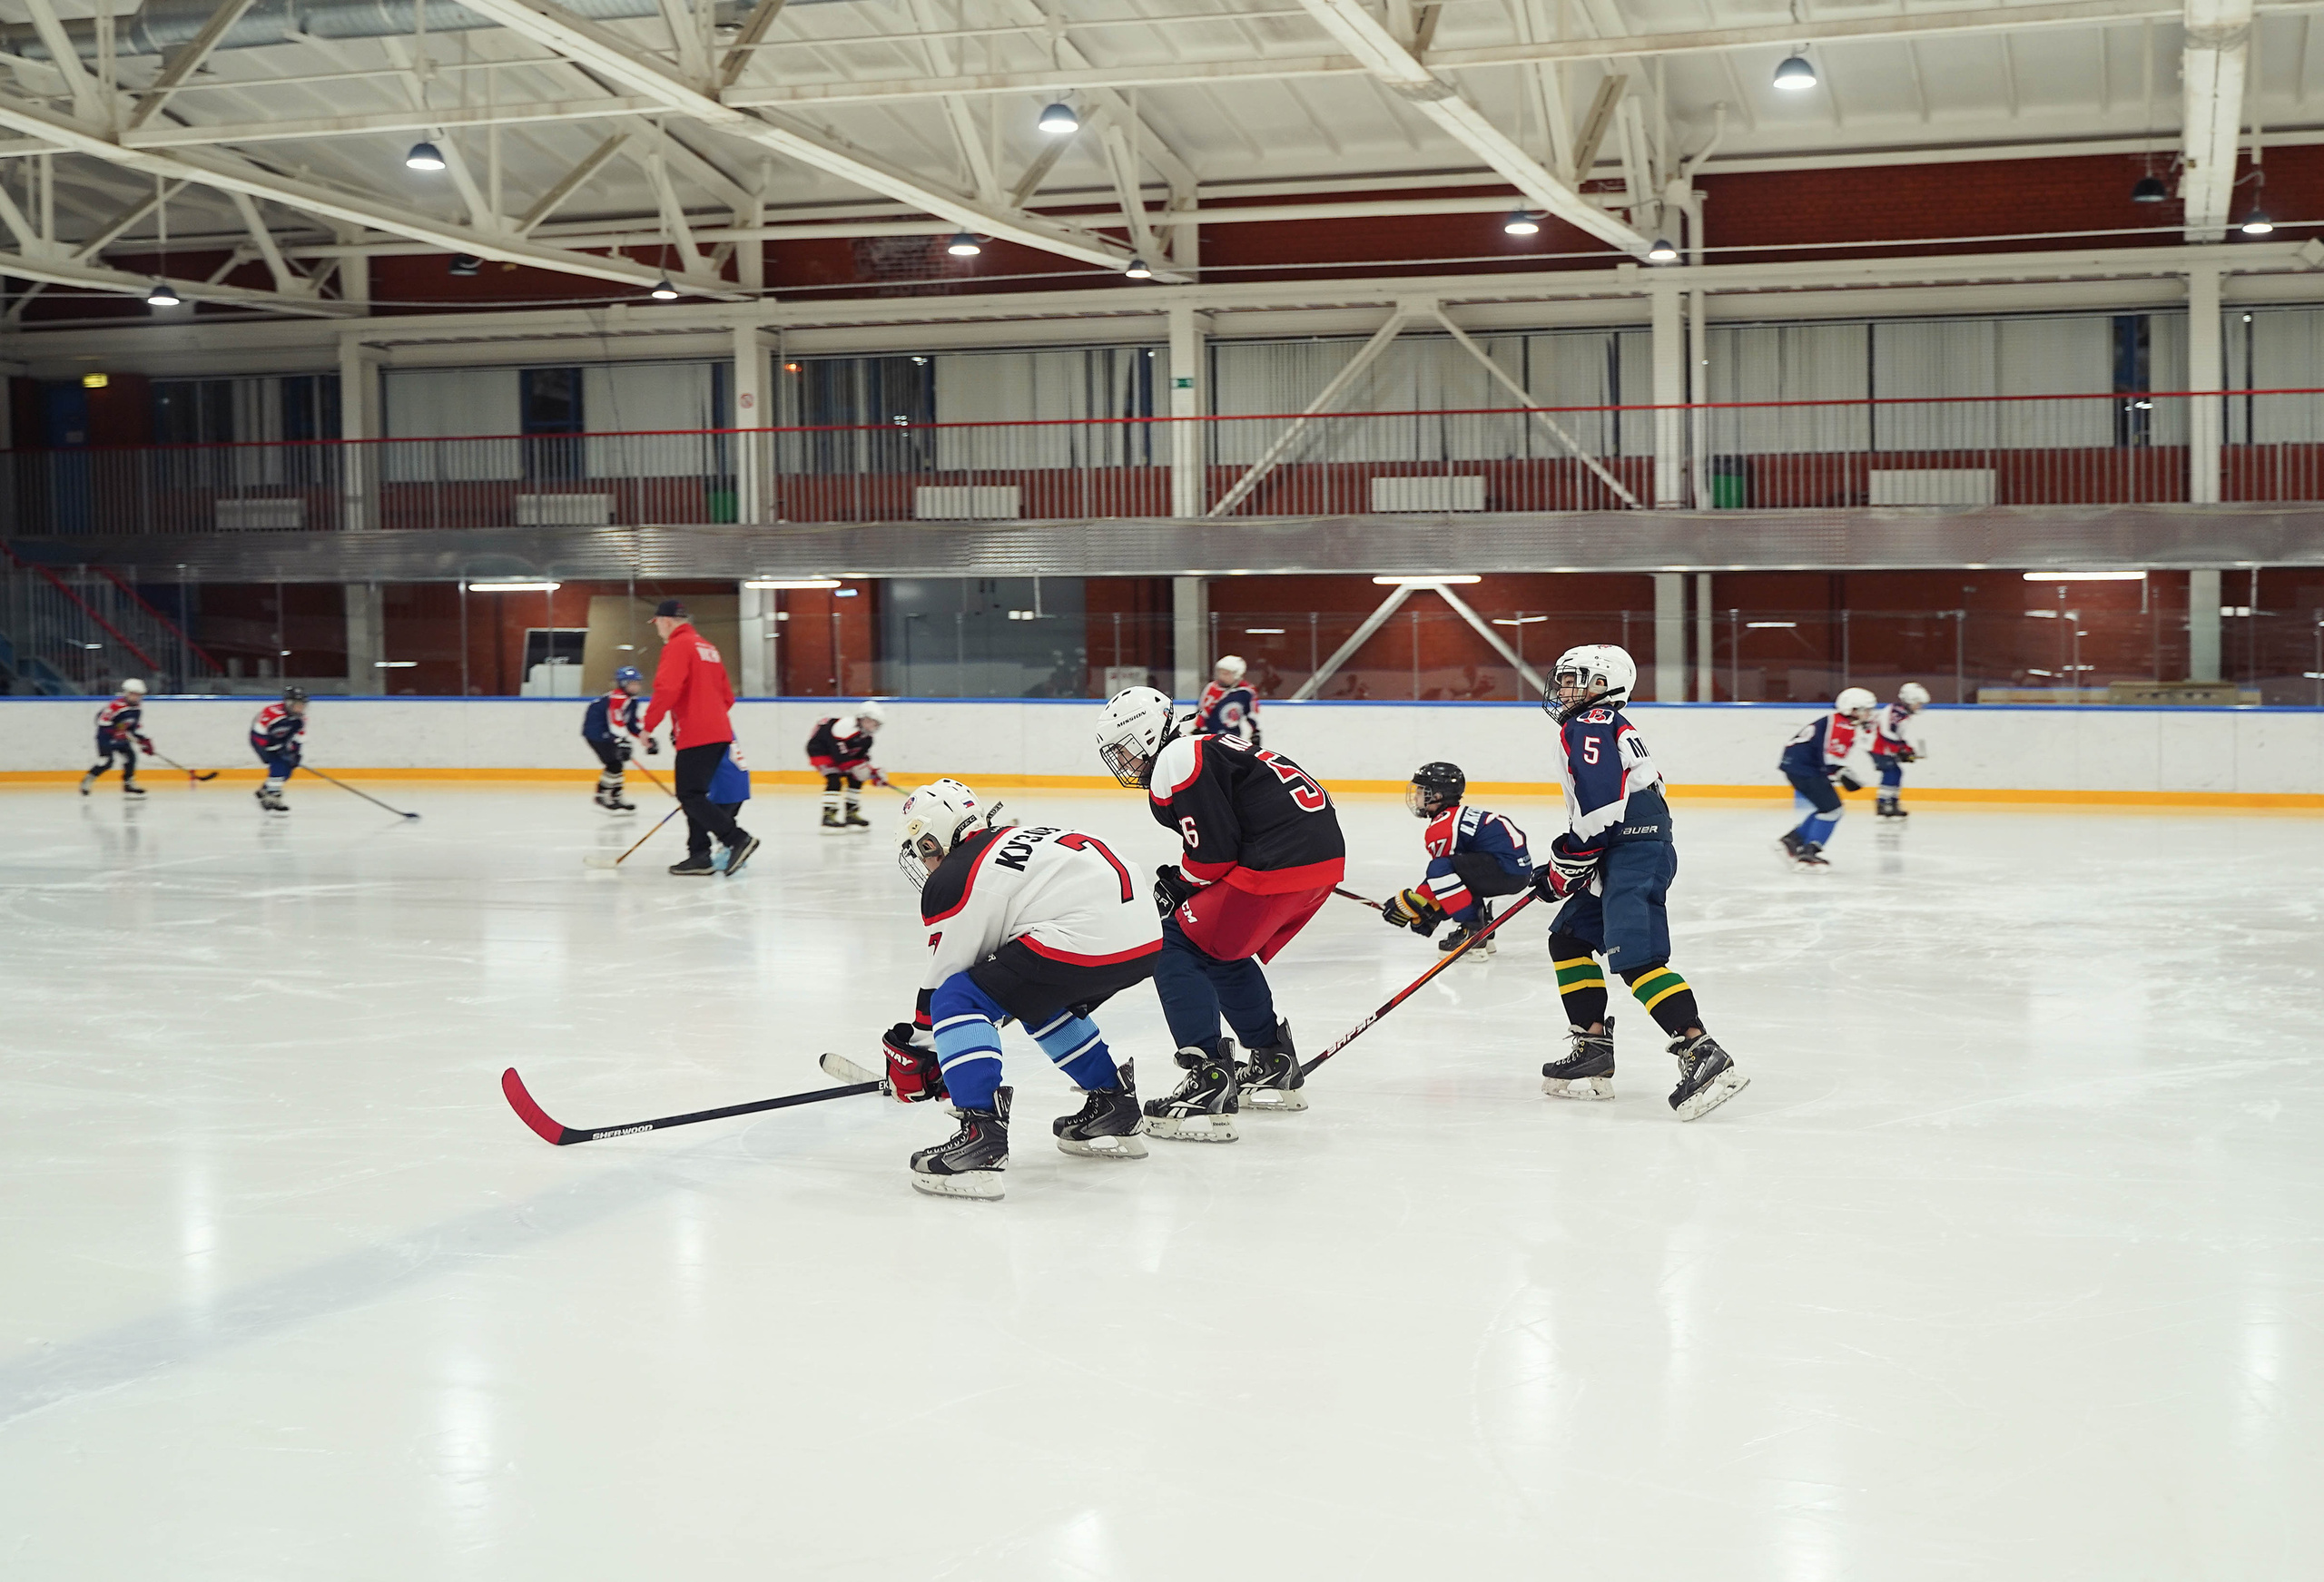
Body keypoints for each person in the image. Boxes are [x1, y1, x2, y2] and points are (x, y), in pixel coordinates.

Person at [883, 778, 1161, 1201]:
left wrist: (919, 1056)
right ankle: (1114, 1104)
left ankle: (981, 1137)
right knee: (1033, 995)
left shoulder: (957, 875)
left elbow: (947, 981)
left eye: (924, 847)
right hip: (1145, 939)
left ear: (939, 835)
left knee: (958, 998)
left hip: (1083, 936)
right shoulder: (1012, 838)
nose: (924, 861)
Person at [1093, 685, 1344, 1140]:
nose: (1126, 762)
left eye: (1128, 748)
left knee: (1171, 942)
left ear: (1150, 734)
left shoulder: (1177, 757)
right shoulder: (1209, 745)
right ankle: (1272, 1061)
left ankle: (1207, 1079)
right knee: (1218, 948)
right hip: (1316, 861)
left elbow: (1212, 857)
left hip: (1275, 863)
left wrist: (1182, 884)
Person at [1533, 644, 1748, 1123]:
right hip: (1622, 845)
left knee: (1636, 954)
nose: (1563, 688)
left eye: (1574, 679)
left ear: (1602, 684)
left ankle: (1701, 1050)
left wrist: (1565, 862)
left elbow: (1601, 806)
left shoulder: (1588, 724)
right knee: (1569, 938)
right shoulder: (1605, 725)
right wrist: (1566, 865)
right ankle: (1592, 1046)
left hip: (1631, 846)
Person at [640, 599, 759, 879]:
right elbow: (727, 696)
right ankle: (699, 855)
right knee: (696, 795)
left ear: (667, 620)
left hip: (697, 732)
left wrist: (648, 726)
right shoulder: (709, 648)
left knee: (690, 795)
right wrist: (711, 718)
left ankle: (736, 839)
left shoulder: (678, 646)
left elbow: (667, 688)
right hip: (720, 731)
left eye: (657, 623)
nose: (657, 629)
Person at [1379, 762, 1534, 959]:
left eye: (1421, 791)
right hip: (1514, 870)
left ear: (1437, 796)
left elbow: (1441, 878)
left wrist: (1413, 904)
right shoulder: (1460, 815)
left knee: (1439, 868)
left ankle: (1473, 931)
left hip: (1504, 870)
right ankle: (1484, 928)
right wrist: (1430, 913)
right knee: (1462, 873)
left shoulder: (1443, 827)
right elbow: (1460, 877)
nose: (1416, 797)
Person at [1777, 686, 1876, 866]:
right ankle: (1809, 852)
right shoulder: (1842, 725)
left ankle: (1792, 840)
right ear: (1852, 709)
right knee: (1832, 810)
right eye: (1865, 710)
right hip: (1805, 769)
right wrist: (1842, 773)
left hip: (1800, 767)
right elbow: (1831, 758)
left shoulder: (1838, 721)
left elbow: (1827, 755)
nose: (1869, 714)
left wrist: (1840, 771)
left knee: (1827, 808)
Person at [581, 665, 655, 812]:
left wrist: (646, 738)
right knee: (614, 764)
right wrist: (622, 741)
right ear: (623, 684)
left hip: (609, 734)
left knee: (618, 763)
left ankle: (616, 796)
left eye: (637, 683)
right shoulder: (617, 698)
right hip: (597, 733)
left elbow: (632, 724)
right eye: (632, 683)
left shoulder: (632, 700)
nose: (635, 687)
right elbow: (616, 722)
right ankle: (602, 795)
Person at [806, 700, 888, 831]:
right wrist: (860, 769)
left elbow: (860, 758)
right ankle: (828, 816)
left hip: (837, 753)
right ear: (860, 719)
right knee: (834, 780)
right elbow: (839, 758)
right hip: (820, 752)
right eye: (870, 721)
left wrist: (873, 772)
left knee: (856, 778)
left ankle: (851, 813)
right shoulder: (844, 728)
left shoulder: (867, 739)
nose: (872, 726)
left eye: (875, 723)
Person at [82, 678, 153, 797]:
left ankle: (128, 783)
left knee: (130, 757)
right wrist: (115, 731)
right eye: (133, 694)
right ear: (126, 693)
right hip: (106, 738)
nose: (136, 697)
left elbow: (133, 727)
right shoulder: (116, 706)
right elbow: (102, 722)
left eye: (139, 695)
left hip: (121, 737)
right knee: (106, 762)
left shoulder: (137, 708)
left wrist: (143, 741)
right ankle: (88, 780)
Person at [1871, 682, 1932, 819]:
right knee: (1891, 772)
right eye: (1918, 703)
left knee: (1896, 772)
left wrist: (1906, 749)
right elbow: (1886, 733)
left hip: (1884, 748)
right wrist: (1900, 749)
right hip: (1880, 748)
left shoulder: (1900, 712)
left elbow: (1896, 736)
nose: (1919, 706)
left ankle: (1892, 802)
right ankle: (1883, 803)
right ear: (1909, 700)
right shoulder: (1896, 712)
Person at [249, 685, 307, 813]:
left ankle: (265, 790)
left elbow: (298, 736)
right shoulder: (272, 712)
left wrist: (295, 753)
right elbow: (259, 731)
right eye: (298, 704)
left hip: (281, 742)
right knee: (278, 765)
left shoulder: (300, 718)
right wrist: (269, 747)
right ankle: (272, 797)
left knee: (288, 769)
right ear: (288, 703)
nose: (301, 708)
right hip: (261, 742)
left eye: (302, 705)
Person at [1192, 654, 1260, 745]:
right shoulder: (1212, 688)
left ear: (1237, 674)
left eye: (1226, 673)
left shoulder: (1247, 691)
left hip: (1234, 737)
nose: (1221, 676)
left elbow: (1252, 714)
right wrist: (1199, 729)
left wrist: (1255, 732)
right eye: (1220, 673)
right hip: (1211, 735)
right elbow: (1203, 711)